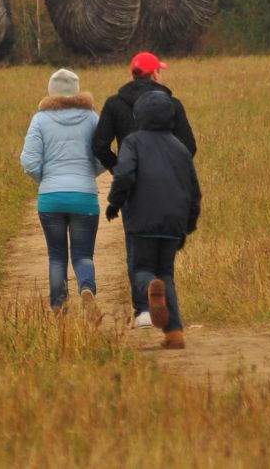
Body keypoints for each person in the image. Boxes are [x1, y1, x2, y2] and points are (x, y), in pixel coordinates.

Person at [93, 50, 197, 327]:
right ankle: (168, 315)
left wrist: (117, 167)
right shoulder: (172, 104)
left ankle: (142, 310)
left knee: (136, 248)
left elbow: (99, 145)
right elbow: (190, 147)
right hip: (169, 187)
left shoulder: (115, 104)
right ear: (154, 74)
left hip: (133, 186)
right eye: (160, 71)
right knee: (165, 258)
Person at [105, 89, 201, 350]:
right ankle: (174, 333)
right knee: (166, 274)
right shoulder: (180, 148)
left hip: (142, 221)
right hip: (173, 223)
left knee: (142, 270)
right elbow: (193, 189)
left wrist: (114, 203)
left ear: (139, 116)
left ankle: (150, 287)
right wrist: (189, 224)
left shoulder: (133, 142)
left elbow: (124, 175)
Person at [20, 68, 103, 312]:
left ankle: (58, 308)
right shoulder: (92, 118)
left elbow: (29, 161)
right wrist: (89, 176)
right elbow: (102, 156)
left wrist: (45, 180)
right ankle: (87, 288)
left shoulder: (40, 120)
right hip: (85, 197)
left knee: (56, 256)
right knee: (83, 255)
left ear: (51, 91)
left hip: (51, 198)